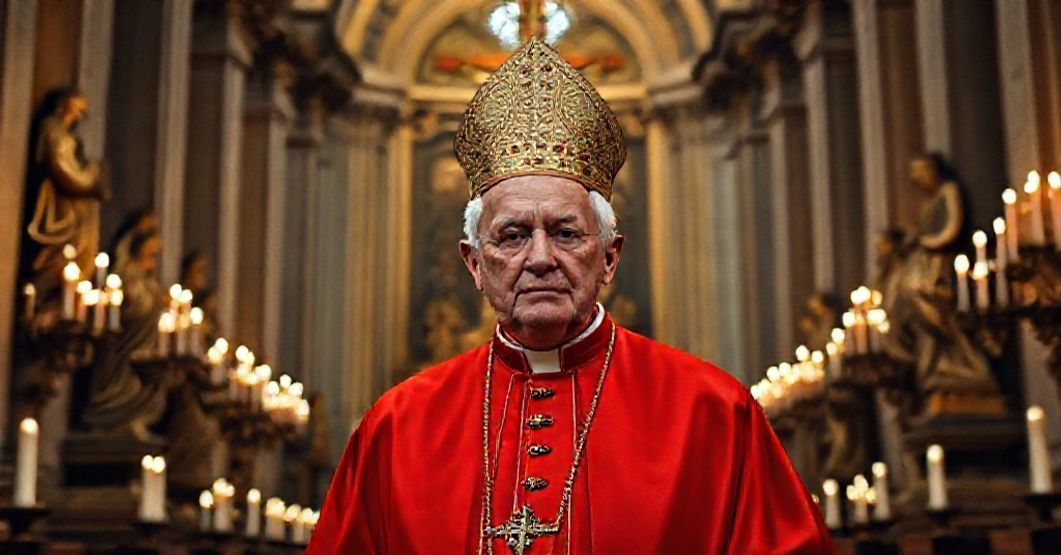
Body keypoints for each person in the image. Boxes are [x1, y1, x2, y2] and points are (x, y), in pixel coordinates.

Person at [309, 39, 833, 554]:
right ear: (474, 263)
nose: (539, 258)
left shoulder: (713, 413)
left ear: (608, 257)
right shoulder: (397, 426)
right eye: (512, 236)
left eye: (565, 233)